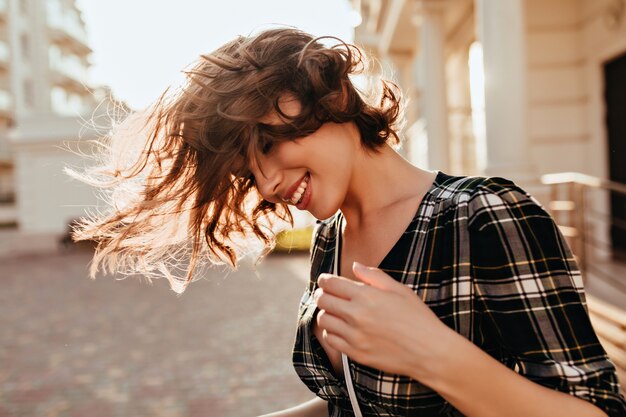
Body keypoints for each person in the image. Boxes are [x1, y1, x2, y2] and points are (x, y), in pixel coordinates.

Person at [68, 28, 626, 417]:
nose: (264, 185)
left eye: (266, 142)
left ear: (330, 93)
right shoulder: (330, 241)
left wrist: (434, 354)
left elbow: (593, 411)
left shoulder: (484, 216)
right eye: (246, 171)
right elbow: (360, 402)